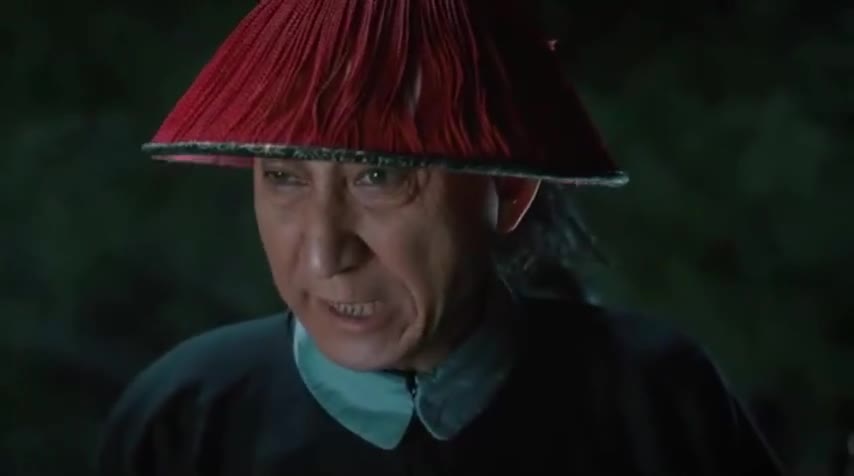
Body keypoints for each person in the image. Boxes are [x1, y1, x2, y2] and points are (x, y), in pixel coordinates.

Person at [96, 0, 786, 474]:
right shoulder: (187, 416)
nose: (324, 255)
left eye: (379, 175)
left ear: (508, 191)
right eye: (283, 176)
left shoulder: (654, 398)